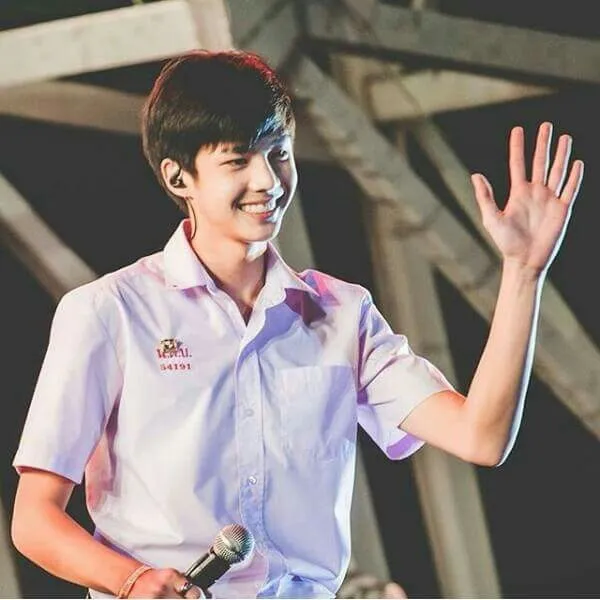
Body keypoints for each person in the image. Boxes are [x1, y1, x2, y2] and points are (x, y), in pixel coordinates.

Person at [11, 49, 584, 599]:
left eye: (278, 153)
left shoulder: (342, 313)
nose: (267, 179)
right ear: (179, 177)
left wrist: (523, 272)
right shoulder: (109, 311)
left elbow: (481, 437)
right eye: (237, 160)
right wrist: (131, 580)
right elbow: (34, 520)